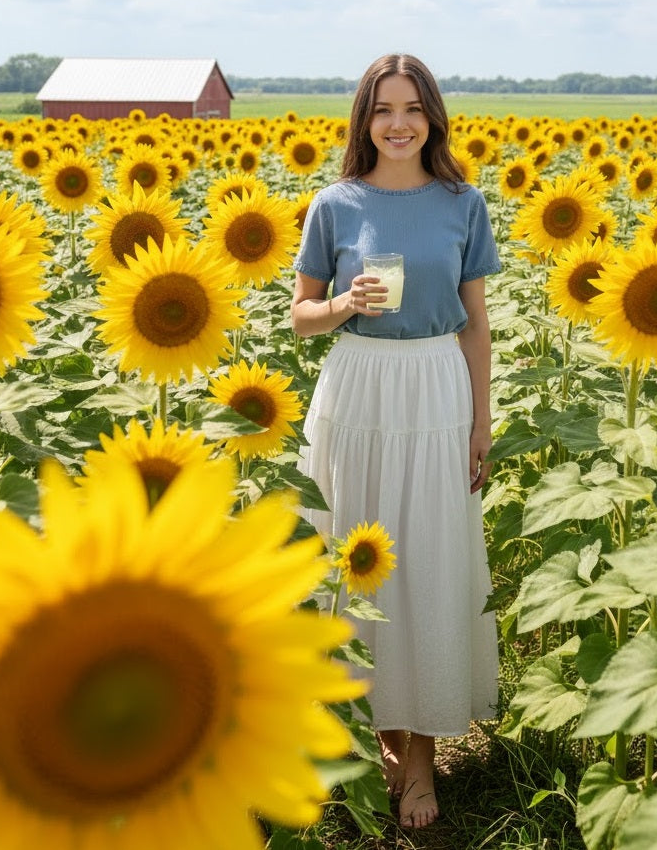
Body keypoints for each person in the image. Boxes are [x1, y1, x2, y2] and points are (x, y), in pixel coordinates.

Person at [291, 53, 500, 830]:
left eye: (412, 108)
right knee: (357, 564)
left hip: (436, 389)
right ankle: (376, 735)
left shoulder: (461, 203)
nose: (399, 122)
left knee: (426, 566)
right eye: (383, 109)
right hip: (356, 390)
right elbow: (300, 314)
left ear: (432, 116)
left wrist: (481, 420)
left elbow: (475, 323)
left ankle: (419, 759)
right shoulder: (334, 204)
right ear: (364, 120)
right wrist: (345, 300)